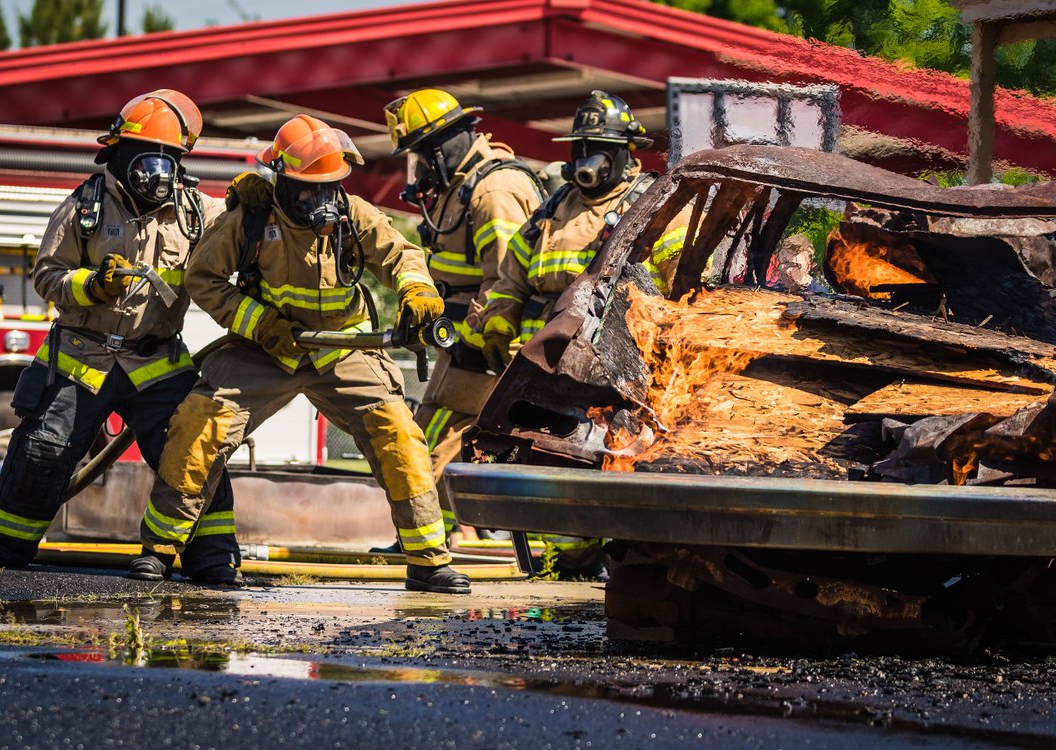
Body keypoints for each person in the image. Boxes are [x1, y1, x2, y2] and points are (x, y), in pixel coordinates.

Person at [129, 114, 472, 594]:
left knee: (397, 433)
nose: (321, 199)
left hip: (343, 350)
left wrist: (417, 290)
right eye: (310, 190)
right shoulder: (251, 218)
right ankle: (159, 550)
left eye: (330, 187)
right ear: (283, 181)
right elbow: (202, 279)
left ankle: (429, 562)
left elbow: (402, 256)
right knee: (199, 424)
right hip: (265, 349)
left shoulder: (353, 213)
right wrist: (261, 325)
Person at [0, 90, 243, 584]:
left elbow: (244, 245)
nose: (157, 173)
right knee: (43, 450)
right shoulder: (84, 207)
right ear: (120, 154)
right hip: (80, 357)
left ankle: (212, 559)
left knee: (193, 449)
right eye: (148, 159)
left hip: (156, 360)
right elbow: (47, 275)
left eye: (168, 160)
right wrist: (92, 287)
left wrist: (253, 207)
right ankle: (1, 549)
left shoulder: (197, 212)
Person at [478, 90, 689, 578]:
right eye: (580, 148)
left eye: (597, 150)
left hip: (616, 368)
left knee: (614, 461)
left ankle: (617, 564)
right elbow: (511, 277)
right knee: (551, 461)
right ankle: (568, 563)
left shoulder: (652, 203)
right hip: (546, 369)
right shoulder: (555, 206)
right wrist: (498, 322)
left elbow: (680, 280)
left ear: (625, 153)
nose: (585, 160)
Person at [382, 88, 545, 542]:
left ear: (443, 147)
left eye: (421, 155)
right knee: (435, 432)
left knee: (439, 439)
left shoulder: (494, 190)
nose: (419, 167)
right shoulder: (463, 186)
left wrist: (480, 339)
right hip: (462, 342)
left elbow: (506, 278)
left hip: (485, 345)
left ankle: (430, 541)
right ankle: (448, 536)